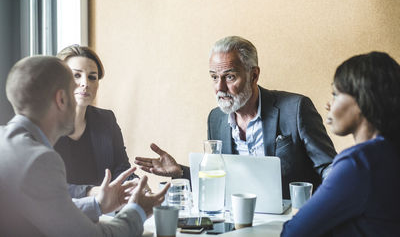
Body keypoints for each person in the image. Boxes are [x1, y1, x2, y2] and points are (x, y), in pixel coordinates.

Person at [135, 36, 337, 198]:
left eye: (230, 77)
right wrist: (179, 171)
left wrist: (321, 210)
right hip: (239, 221)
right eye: (214, 77)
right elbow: (221, 177)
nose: (220, 88)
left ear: (254, 75)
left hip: (293, 218)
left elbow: (329, 168)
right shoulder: (216, 118)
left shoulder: (295, 108)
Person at [0, 55, 169, 236]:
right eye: (74, 88)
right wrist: (138, 211)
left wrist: (97, 204)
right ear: (62, 99)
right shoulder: (39, 159)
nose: (83, 88)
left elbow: (52, 209)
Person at [281, 52, 400, 236]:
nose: (328, 105)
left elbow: (293, 232)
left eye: (335, 94)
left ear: (362, 100)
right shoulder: (389, 153)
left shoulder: (359, 163)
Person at [54, 45, 137, 199]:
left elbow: (121, 168)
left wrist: (134, 186)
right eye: (76, 76)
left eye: (92, 77)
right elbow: (45, 185)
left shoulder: (106, 120)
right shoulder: (45, 125)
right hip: (59, 214)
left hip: (104, 213)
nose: (85, 83)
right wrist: (91, 192)